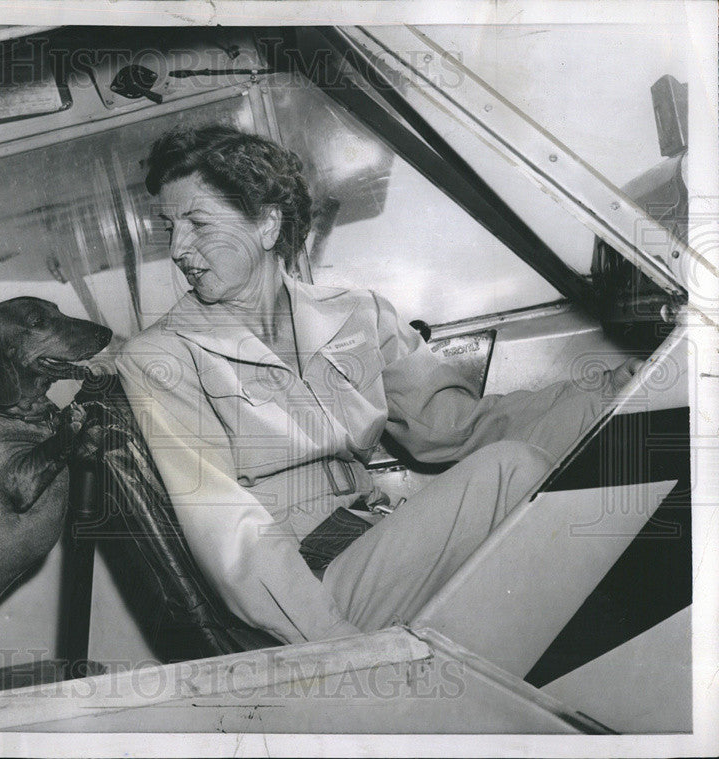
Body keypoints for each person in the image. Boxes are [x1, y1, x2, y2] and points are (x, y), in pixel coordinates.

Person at [114, 124, 639, 645]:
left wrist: (619, 392)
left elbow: (455, 428)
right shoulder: (160, 358)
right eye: (170, 226)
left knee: (545, 485)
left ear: (267, 225)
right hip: (304, 592)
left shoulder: (355, 313)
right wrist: (338, 647)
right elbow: (230, 532)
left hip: (372, 536)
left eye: (197, 223)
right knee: (513, 471)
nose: (178, 247)